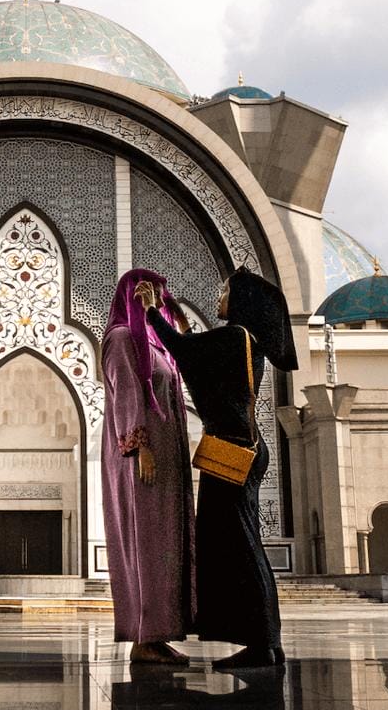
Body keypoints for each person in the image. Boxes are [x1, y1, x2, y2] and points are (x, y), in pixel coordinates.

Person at [138, 265, 298, 670]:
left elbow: (185, 352)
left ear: (242, 300)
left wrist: (152, 312)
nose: (219, 297)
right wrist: (178, 321)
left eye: (225, 291)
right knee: (240, 544)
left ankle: (261, 643)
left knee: (241, 546)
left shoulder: (235, 337)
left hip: (231, 453)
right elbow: (201, 359)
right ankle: (265, 641)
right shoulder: (243, 340)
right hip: (239, 449)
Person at [101, 267, 196, 664]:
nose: (153, 300)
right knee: (146, 542)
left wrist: (174, 314)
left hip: (167, 458)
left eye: (158, 293)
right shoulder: (123, 339)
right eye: (146, 293)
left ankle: (160, 633)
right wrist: (140, 447)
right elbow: (126, 394)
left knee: (165, 546)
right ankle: (144, 635)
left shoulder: (157, 344)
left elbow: (188, 357)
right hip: (142, 459)